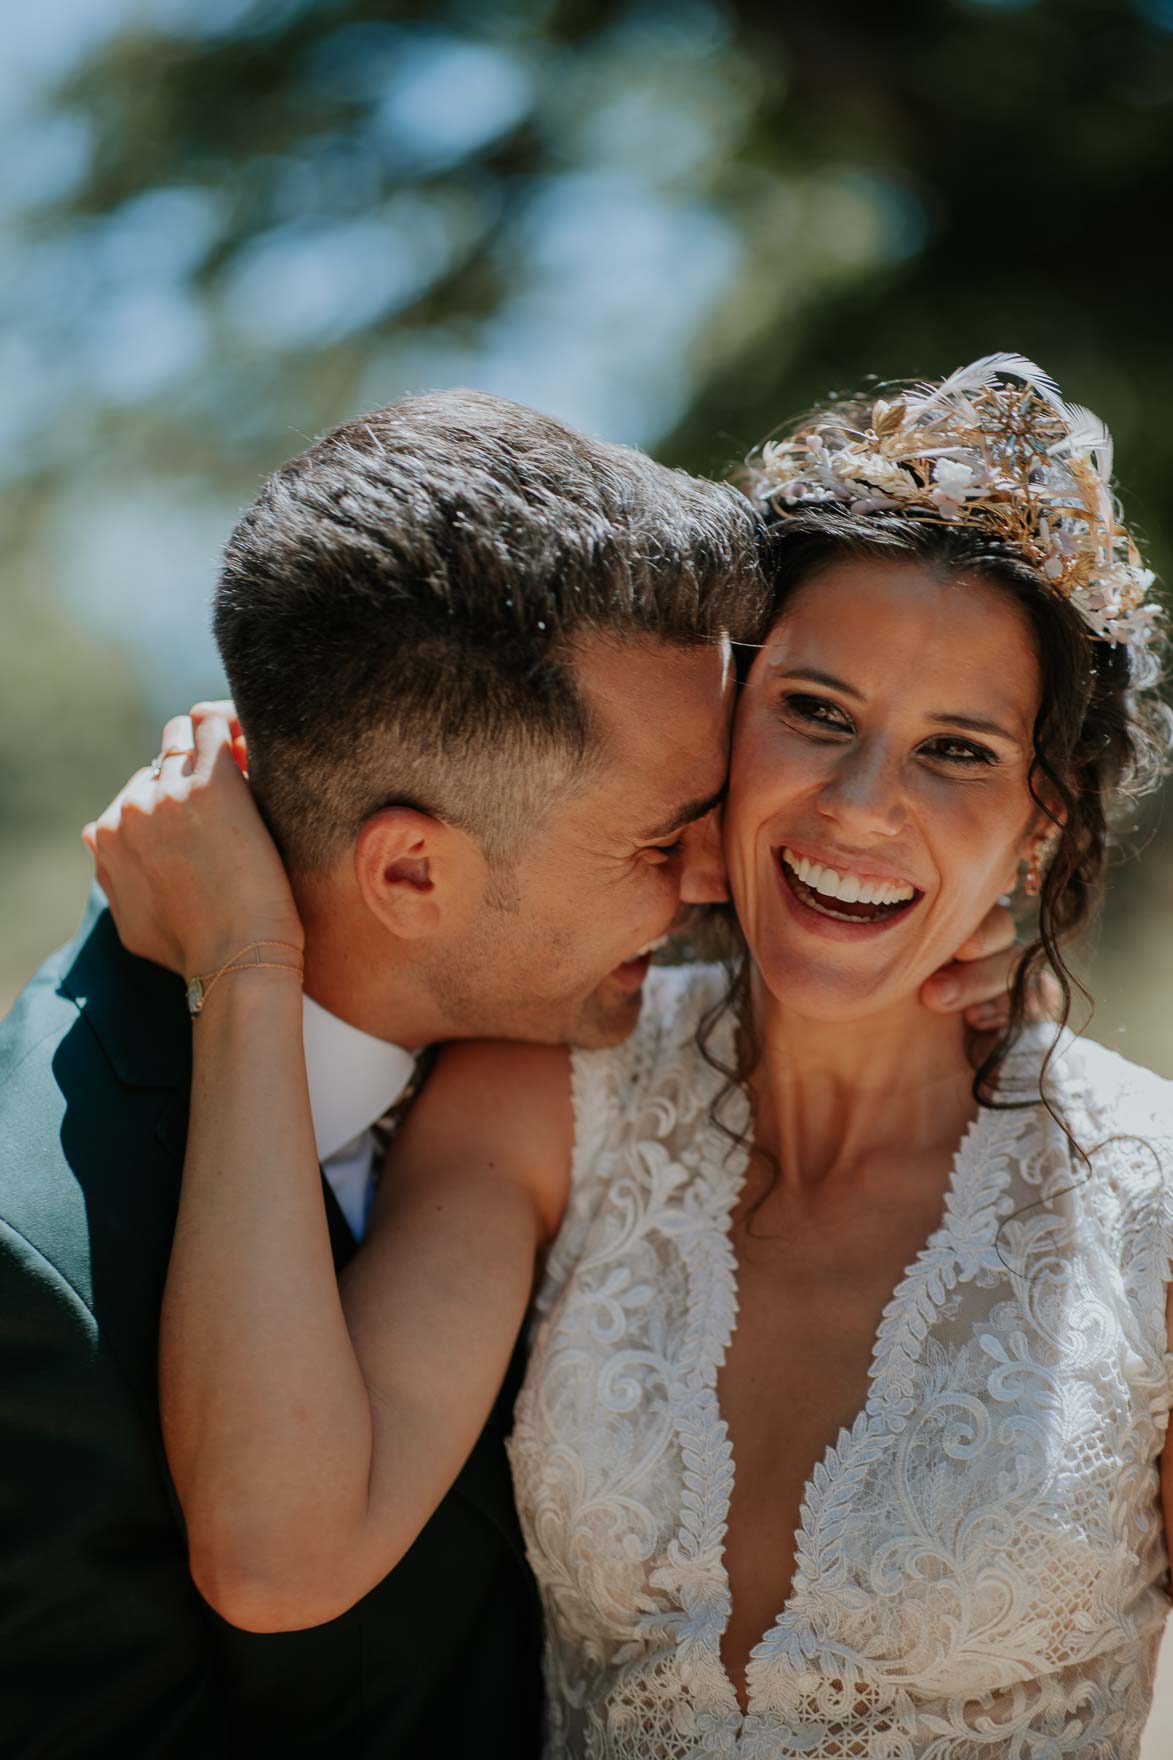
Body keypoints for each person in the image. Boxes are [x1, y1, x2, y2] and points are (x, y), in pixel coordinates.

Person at [92, 357, 1173, 1757]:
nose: (858, 809)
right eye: (817, 713)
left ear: (1036, 823)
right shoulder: (541, 1099)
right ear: (727, 719)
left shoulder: (1152, 1204)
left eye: (955, 752)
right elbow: (275, 1554)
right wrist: (249, 967)